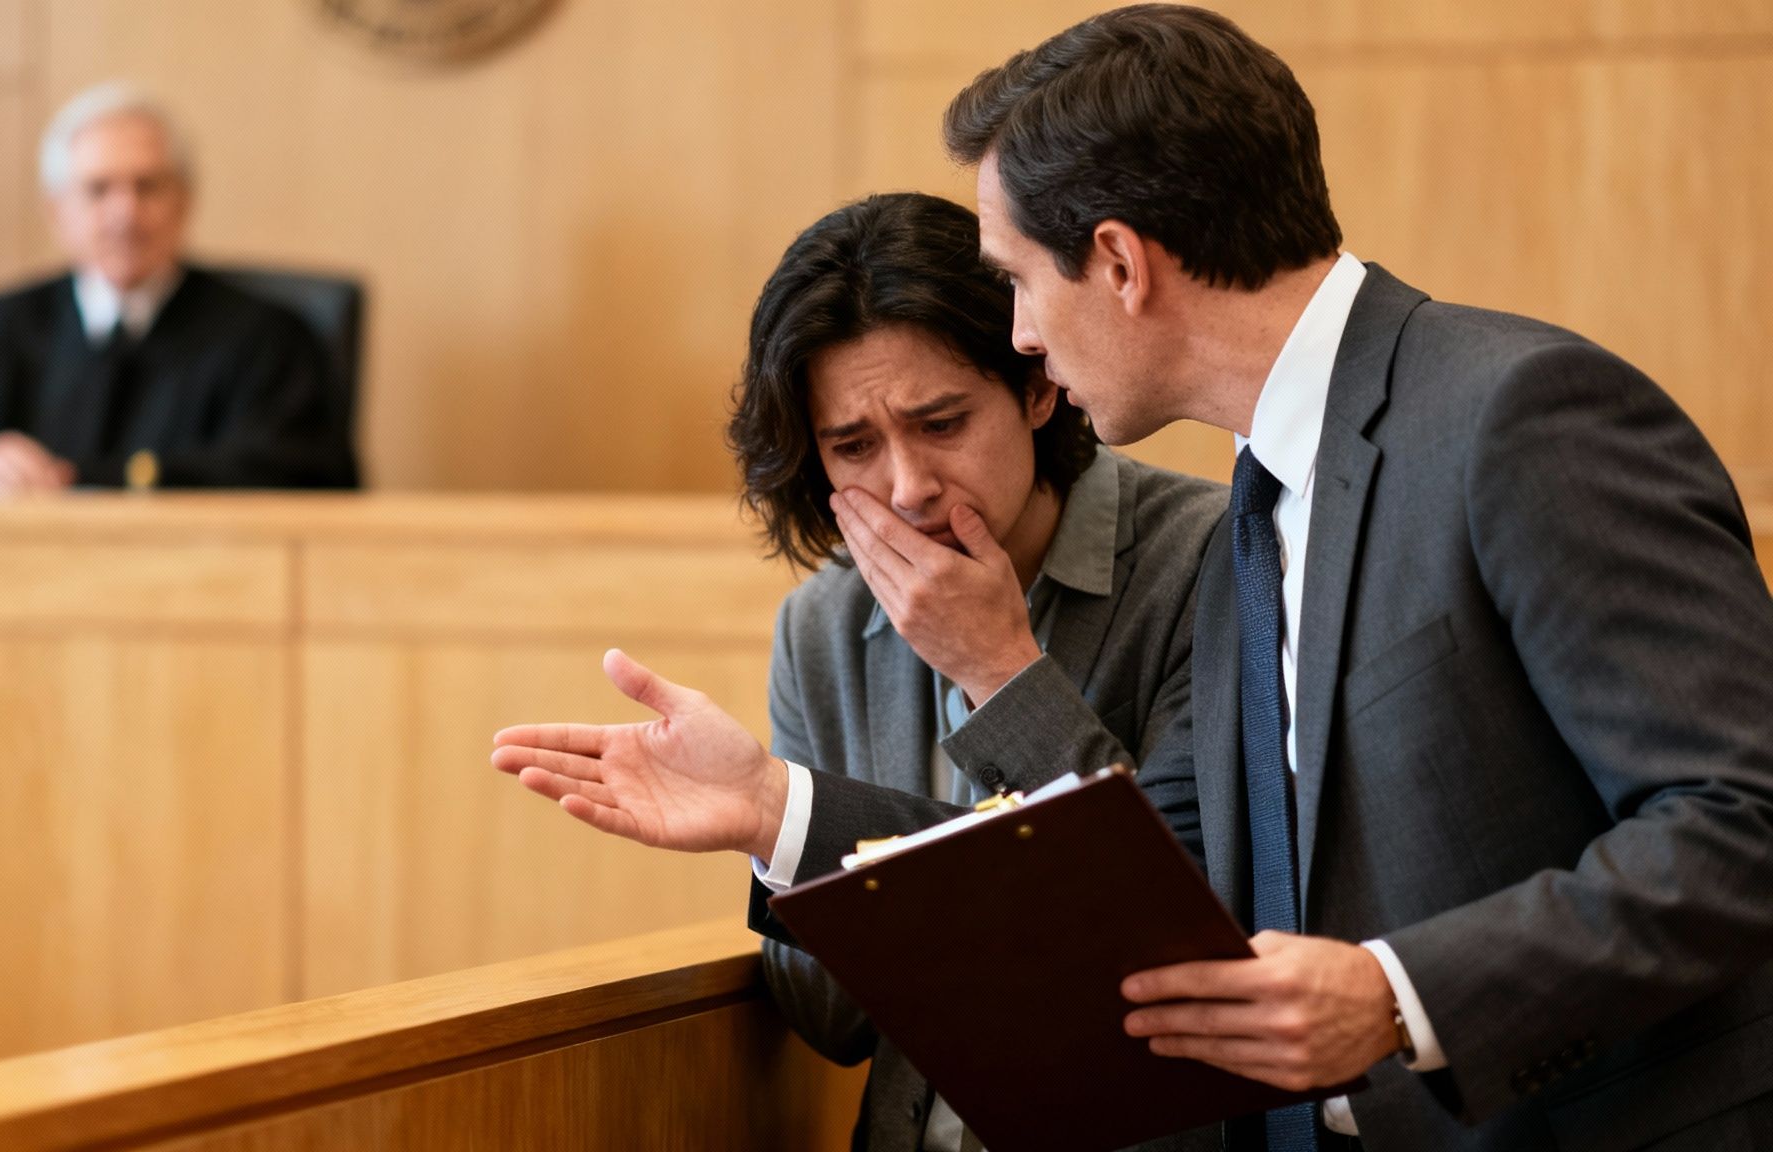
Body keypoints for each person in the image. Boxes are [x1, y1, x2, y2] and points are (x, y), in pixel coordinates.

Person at [494, 6, 1773, 1149]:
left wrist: (1395, 993)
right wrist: (778, 811)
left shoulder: (1514, 413)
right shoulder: (1262, 509)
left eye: (1011, 281)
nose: (1020, 333)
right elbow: (1149, 876)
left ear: (1116, 260)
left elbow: (1742, 820)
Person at [732, 191, 1225, 1151]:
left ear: (1037, 387)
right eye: (855, 447)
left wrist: (1000, 671)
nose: (907, 487)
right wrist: (773, 822)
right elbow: (831, 1023)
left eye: (943, 424)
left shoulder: (1208, 564)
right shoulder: (822, 627)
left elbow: (1185, 939)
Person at [0, 83, 357, 499]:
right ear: (57, 211)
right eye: (98, 189)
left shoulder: (267, 339)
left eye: (147, 186)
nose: (124, 214)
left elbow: (307, 477)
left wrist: (84, 479)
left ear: (184, 202)